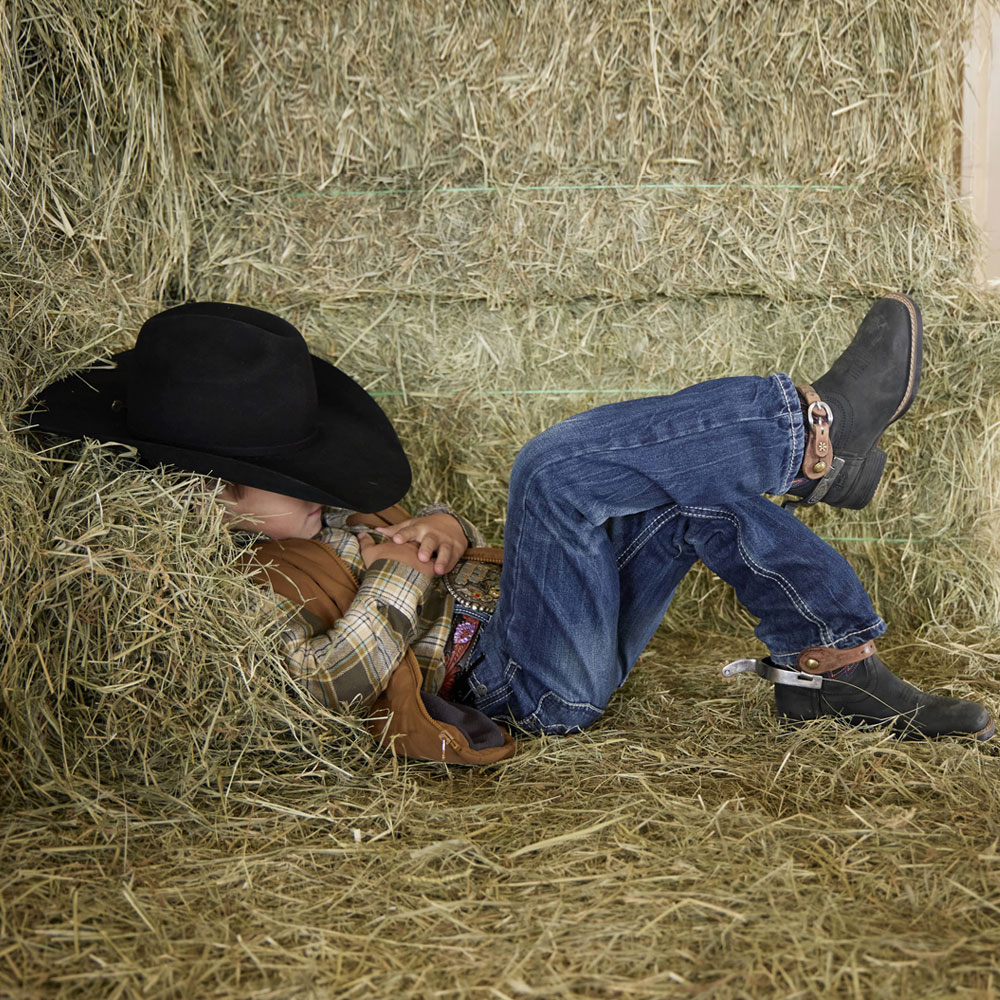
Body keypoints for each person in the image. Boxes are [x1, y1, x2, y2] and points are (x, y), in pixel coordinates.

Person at [29, 300, 995, 754]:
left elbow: (415, 541)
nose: (323, 496)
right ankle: (815, 433)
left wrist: (436, 529)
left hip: (533, 621)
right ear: (221, 495)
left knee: (671, 489)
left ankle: (831, 667)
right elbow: (326, 678)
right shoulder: (222, 593)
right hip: (529, 685)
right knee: (553, 471)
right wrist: (394, 576)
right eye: (294, 481)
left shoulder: (316, 527)